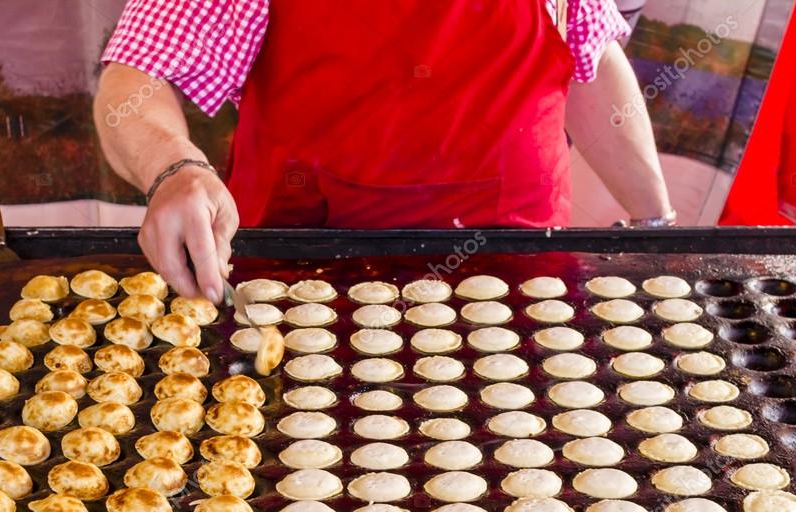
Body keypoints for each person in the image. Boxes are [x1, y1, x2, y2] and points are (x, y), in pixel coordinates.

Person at [96, 0, 673, 302]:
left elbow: (590, 60)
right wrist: (173, 167)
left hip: (521, 274)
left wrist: (656, 224)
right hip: (306, 285)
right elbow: (138, 75)